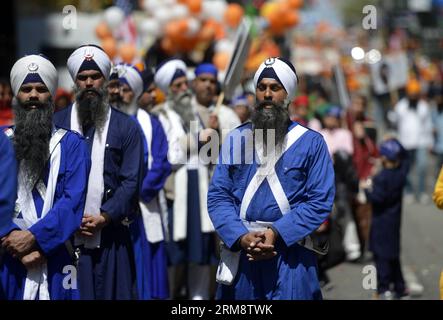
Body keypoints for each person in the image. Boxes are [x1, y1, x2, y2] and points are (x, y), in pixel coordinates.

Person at [207, 57, 335, 300]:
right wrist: (240, 236)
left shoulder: (311, 143)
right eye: (261, 87)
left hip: (291, 257)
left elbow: (319, 201)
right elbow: (218, 196)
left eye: (275, 88)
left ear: (288, 94)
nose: (267, 94)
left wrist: (276, 233)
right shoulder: (235, 139)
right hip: (242, 253)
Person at [53, 44, 144, 300]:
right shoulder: (57, 124)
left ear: (105, 80)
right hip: (65, 238)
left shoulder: (126, 127)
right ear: (75, 82)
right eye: (82, 77)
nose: (89, 82)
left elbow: (131, 182)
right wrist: (69, 218)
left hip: (112, 236)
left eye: (95, 76)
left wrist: (104, 216)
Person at [1, 54, 90, 300]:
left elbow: (73, 201)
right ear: (16, 96)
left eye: (41, 89)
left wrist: (36, 239)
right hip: (7, 257)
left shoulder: (72, 144)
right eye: (26, 89)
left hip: (56, 257)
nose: (33, 95)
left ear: (51, 96)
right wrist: (11, 239)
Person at [152, 59, 217, 300]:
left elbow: (210, 157)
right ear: (168, 89)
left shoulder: (198, 113)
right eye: (176, 85)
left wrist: (213, 134)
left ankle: (198, 300)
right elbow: (167, 156)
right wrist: (197, 139)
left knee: (200, 254)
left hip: (201, 188)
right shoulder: (160, 116)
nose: (183, 90)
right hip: (175, 190)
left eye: (184, 84)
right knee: (174, 256)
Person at [117, 63, 171, 299]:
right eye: (117, 88)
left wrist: (135, 192)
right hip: (112, 210)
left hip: (143, 205)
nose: (121, 93)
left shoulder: (151, 123)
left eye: (127, 89)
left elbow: (160, 162)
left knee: (148, 272)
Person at [363, 138, 410, 300]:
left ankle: (383, 289)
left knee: (381, 257)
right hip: (394, 221)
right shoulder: (401, 174)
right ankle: (400, 287)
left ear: (384, 158)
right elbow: (405, 159)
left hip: (381, 222)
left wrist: (367, 190)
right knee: (393, 255)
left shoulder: (382, 178)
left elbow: (378, 198)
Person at [390, 78, 433, 204]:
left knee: (422, 166)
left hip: (421, 142)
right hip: (405, 142)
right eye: (411, 94)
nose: (413, 96)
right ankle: (408, 191)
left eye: (416, 94)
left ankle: (421, 192)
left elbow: (428, 125)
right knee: (405, 168)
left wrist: (430, 142)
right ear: (408, 93)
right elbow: (394, 123)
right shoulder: (400, 106)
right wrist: (392, 112)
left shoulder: (424, 107)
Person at [191, 63, 241, 143]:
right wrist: (202, 137)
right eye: (203, 80)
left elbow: (239, 144)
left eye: (212, 81)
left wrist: (218, 131)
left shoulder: (228, 114)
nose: (208, 85)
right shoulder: (183, 111)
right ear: (194, 83)